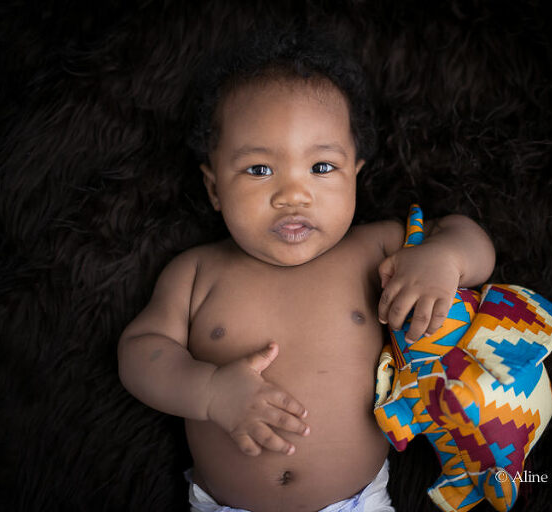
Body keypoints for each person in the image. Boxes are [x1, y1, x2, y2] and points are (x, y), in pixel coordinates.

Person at [117, 30, 496, 512]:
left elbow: (469, 238)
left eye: (321, 167)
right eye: (259, 170)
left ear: (354, 174)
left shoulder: (376, 249)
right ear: (214, 188)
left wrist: (445, 257)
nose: (293, 195)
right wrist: (209, 392)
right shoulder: (196, 272)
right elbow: (140, 352)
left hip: (356, 503)